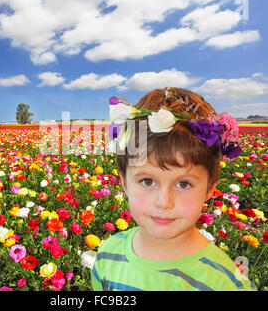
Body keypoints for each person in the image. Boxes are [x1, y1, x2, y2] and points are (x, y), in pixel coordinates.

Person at [91, 87, 256, 291]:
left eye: (183, 184)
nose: (164, 202)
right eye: (147, 181)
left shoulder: (226, 283)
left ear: (209, 188)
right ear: (124, 181)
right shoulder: (107, 255)